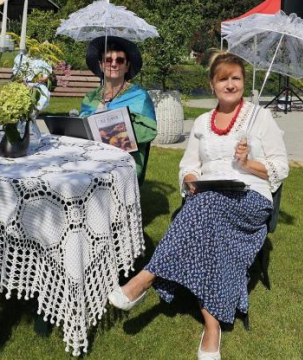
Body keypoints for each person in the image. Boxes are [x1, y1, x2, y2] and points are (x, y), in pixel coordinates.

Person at [107, 52, 288, 360]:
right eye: (223, 79)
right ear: (212, 83)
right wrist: (191, 178)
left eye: (236, 78)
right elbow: (188, 165)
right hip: (207, 196)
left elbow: (281, 167)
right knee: (206, 208)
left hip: (250, 197)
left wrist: (248, 162)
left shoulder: (260, 117)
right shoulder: (203, 122)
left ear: (244, 82)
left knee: (204, 207)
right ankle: (212, 326)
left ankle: (146, 278)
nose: (230, 84)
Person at [80, 36, 157, 179]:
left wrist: (110, 131)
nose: (114, 64)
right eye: (108, 60)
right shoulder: (91, 97)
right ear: (101, 65)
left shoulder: (139, 97)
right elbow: (81, 128)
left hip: (126, 159)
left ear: (127, 65)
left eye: (120, 60)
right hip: (92, 156)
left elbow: (149, 131)